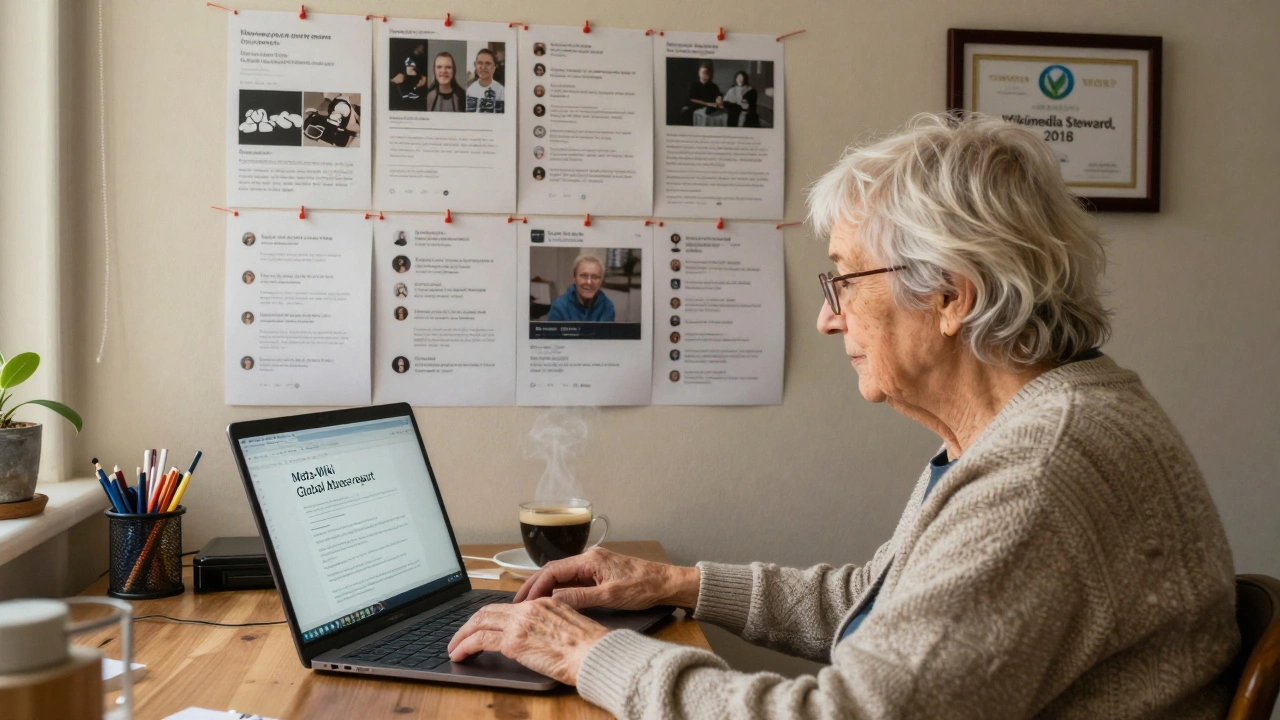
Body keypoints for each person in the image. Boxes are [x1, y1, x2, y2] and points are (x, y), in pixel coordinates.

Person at [445, 114, 1240, 719]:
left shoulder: (1040, 477)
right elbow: (883, 600)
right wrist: (678, 583)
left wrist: (595, 658)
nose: (828, 320)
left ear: (951, 296)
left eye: (844, 282)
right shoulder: (1035, 426)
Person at [547, 255, 615, 322]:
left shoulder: (607, 307)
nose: (589, 282)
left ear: (601, 281)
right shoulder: (560, 306)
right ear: (574, 278)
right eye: (584, 276)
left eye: (595, 277)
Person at [681, 60, 722, 124]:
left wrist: (719, 99)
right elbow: (690, 99)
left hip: (709, 109)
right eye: (703, 73)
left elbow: (718, 95)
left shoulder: (714, 86)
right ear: (699, 73)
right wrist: (708, 104)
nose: (705, 75)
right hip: (695, 107)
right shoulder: (693, 84)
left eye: (707, 73)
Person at [467, 48, 505, 113]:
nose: (483, 67)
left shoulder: (501, 91)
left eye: (488, 63)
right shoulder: (470, 91)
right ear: (475, 65)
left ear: (494, 67)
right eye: (480, 63)